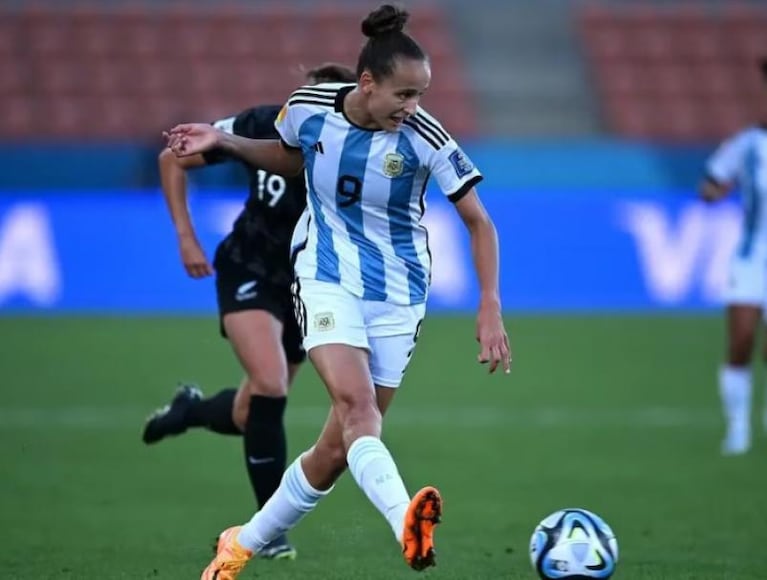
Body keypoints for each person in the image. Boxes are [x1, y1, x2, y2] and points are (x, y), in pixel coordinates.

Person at [166, 5, 511, 577]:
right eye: (404, 94)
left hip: (400, 295)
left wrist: (490, 304)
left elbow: (479, 221)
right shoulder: (308, 109)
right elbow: (286, 156)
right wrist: (225, 143)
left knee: (335, 452)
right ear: (367, 83)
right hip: (325, 277)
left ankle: (238, 546)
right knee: (358, 408)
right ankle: (407, 521)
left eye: (421, 95)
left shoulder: (427, 138)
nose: (414, 107)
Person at [143, 63, 357, 559]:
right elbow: (171, 159)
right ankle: (269, 527)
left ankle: (189, 410)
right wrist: (185, 235)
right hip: (248, 268)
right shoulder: (264, 123)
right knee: (271, 382)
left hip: (306, 286)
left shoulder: (351, 152)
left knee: (248, 411)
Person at [699, 57, 767, 456]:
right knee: (741, 339)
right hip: (751, 257)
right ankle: (738, 428)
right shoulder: (747, 144)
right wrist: (716, 192)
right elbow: (710, 184)